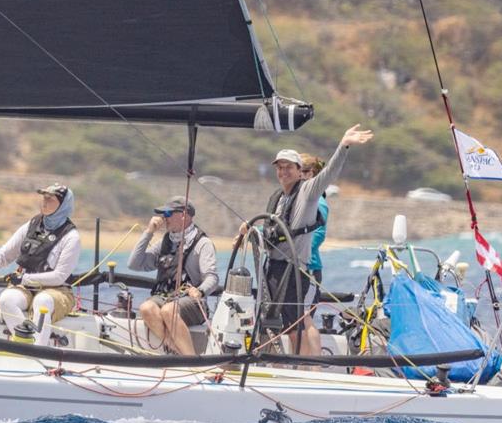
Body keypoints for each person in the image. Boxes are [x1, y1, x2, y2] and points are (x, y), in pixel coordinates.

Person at [239, 124, 373, 356]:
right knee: (278, 323)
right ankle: (288, 363)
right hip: (273, 268)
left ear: (299, 170)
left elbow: (329, 172)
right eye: (279, 168)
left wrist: (344, 145)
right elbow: (274, 231)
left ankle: (304, 367)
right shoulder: (280, 197)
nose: (283, 172)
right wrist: (251, 229)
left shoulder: (308, 192)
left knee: (296, 326)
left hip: (294, 271)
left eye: (288, 167)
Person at [0, 184, 80, 346]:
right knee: (7, 299)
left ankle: (39, 352)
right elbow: (5, 254)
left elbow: (59, 276)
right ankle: (25, 345)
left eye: (50, 199)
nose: (44, 202)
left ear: (63, 205)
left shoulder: (71, 237)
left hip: (57, 291)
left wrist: (23, 279)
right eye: (44, 197)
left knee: (42, 301)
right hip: (26, 287)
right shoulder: (31, 225)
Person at [128, 196, 218, 355]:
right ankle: (175, 350)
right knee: (146, 308)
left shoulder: (203, 243)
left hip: (192, 302)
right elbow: (134, 263)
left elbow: (212, 278)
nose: (164, 218)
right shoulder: (165, 243)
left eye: (168, 214)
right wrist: (149, 232)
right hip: (165, 296)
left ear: (184, 215)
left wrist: (201, 291)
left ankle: (190, 360)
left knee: (169, 310)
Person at [298, 153, 329, 353]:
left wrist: (297, 249)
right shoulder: (299, 201)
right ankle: (301, 363)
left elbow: (318, 234)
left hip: (309, 268)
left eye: (304, 172)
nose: (300, 176)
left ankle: (315, 365)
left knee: (304, 317)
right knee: (296, 318)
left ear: (314, 174)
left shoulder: (319, 202)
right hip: (295, 267)